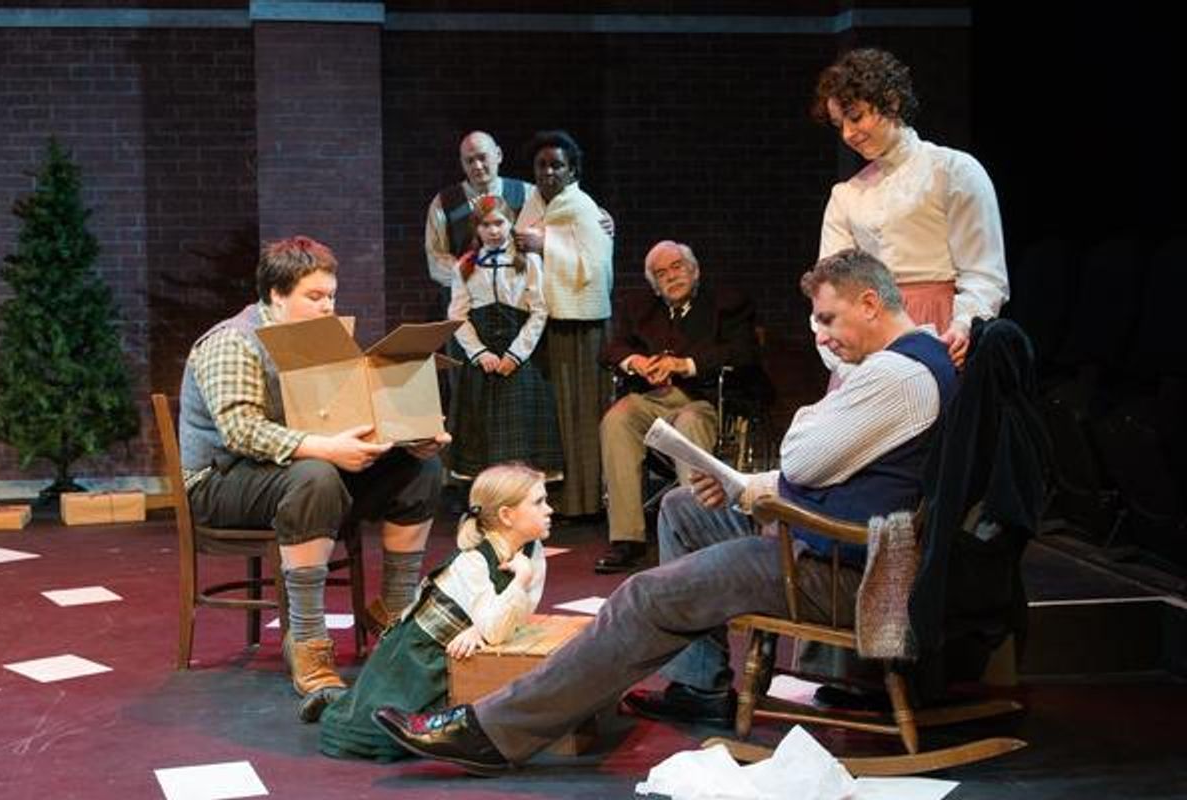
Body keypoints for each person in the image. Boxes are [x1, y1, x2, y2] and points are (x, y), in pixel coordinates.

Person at [369, 249, 956, 773]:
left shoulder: (893, 375)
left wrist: (814, 415)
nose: (822, 338)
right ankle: (700, 686)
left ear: (872, 303)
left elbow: (802, 457)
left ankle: (491, 731)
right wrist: (744, 484)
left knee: (644, 596)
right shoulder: (912, 361)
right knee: (681, 506)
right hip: (830, 540)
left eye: (828, 319)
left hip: (844, 569)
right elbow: (827, 466)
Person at [178, 235, 445, 723]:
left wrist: (408, 436)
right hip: (221, 483)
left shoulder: (321, 343)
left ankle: (395, 614)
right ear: (276, 296)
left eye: (331, 296)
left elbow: (347, 413)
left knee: (419, 470)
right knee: (317, 475)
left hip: (299, 473)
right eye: (315, 297)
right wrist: (327, 448)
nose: (327, 307)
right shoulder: (232, 342)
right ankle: (307, 642)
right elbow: (241, 431)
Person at [319, 463, 552, 761]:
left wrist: (480, 627)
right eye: (539, 502)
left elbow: (519, 613)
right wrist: (517, 583)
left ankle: (342, 699)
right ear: (507, 515)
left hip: (456, 650)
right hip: (421, 655)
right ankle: (336, 702)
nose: (549, 510)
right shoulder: (474, 561)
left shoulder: (532, 550)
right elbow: (498, 627)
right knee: (386, 730)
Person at [814, 47, 1008, 370]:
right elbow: (829, 287)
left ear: (891, 101)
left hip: (938, 331)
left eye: (856, 116)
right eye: (839, 125)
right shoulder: (847, 195)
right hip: (870, 337)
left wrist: (962, 327)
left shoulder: (952, 171)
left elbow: (984, 273)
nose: (847, 133)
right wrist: (842, 358)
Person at [594, 240, 757, 573]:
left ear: (693, 270)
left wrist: (685, 365)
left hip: (704, 398)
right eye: (661, 273)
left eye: (677, 267)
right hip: (653, 398)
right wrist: (634, 361)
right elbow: (610, 350)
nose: (671, 276)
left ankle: (695, 529)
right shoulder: (639, 308)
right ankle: (628, 538)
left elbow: (744, 354)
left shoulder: (726, 304)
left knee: (688, 421)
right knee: (617, 419)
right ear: (654, 284)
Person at [514, 130, 614, 517]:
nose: (549, 172)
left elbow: (596, 264)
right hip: (546, 321)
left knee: (584, 412)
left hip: (581, 322)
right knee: (557, 414)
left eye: (557, 165)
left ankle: (588, 501)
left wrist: (546, 245)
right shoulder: (532, 205)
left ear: (572, 171)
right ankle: (564, 497)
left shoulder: (582, 207)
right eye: (542, 165)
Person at [446, 195, 562, 480]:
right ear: (477, 228)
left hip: (518, 354)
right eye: (486, 225)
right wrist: (479, 353)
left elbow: (539, 311)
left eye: (499, 222)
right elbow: (457, 315)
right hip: (483, 357)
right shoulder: (465, 266)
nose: (494, 230)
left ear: (510, 223)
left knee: (520, 432)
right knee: (481, 431)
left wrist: (515, 354)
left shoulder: (528, 261)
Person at [424, 131, 533, 298]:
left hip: (517, 298)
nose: (477, 166)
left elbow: (539, 246)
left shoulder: (526, 194)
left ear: (498, 155)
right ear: (462, 163)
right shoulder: (444, 202)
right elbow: (436, 255)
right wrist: (474, 277)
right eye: (469, 160)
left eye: (482, 157)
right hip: (465, 300)